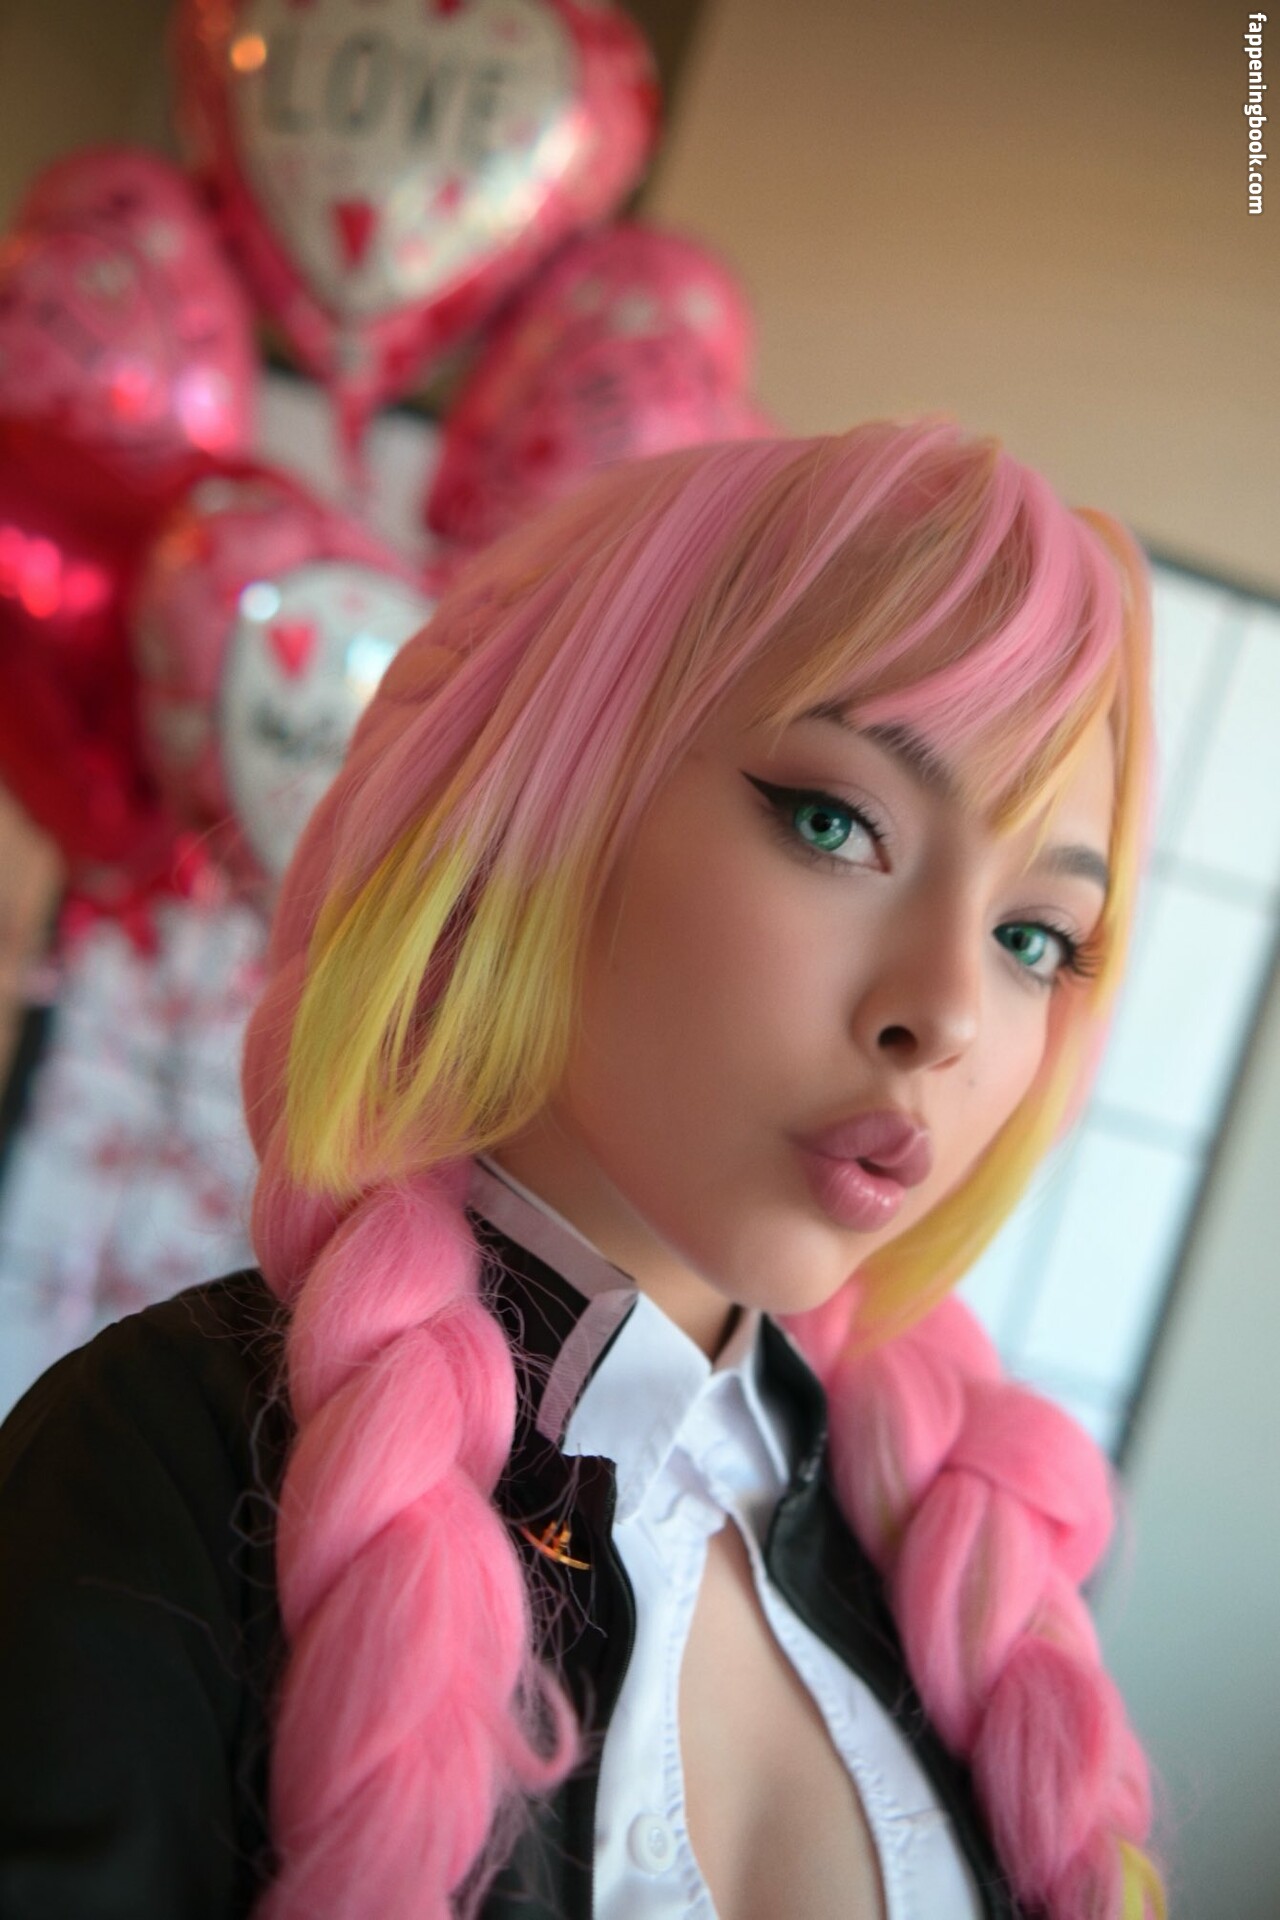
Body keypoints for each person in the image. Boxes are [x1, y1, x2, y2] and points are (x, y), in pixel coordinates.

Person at [0, 417, 1166, 1920]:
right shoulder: (164, 1464)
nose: (944, 1014)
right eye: (836, 822)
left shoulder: (941, 1573)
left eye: (1034, 939)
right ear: (551, 795)